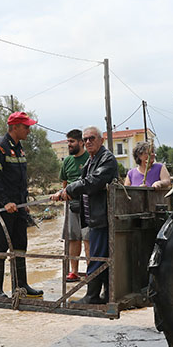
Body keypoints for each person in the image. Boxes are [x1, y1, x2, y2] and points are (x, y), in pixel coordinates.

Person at [51, 125, 117, 304]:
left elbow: (93, 182)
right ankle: (106, 294)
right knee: (101, 257)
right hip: (93, 217)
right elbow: (81, 181)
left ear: (101, 140)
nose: (88, 142)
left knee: (97, 257)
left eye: (92, 138)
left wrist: (69, 189)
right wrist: (63, 191)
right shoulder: (92, 160)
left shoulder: (106, 159)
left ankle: (92, 296)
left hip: (103, 217)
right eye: (86, 139)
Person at [0, 111, 44, 299]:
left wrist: (23, 202)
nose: (29, 130)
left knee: (20, 244)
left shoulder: (20, 149)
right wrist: (5, 202)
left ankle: (21, 285)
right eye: (26, 126)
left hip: (18, 206)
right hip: (1, 206)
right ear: (15, 127)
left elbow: (20, 180)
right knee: (1, 245)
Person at [59, 128, 90, 281]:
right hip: (72, 205)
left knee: (88, 238)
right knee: (73, 238)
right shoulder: (67, 161)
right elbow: (64, 184)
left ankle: (92, 271)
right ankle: (74, 272)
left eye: (72, 141)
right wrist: (61, 194)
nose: (69, 145)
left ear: (81, 142)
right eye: (68, 142)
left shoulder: (90, 158)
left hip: (88, 204)